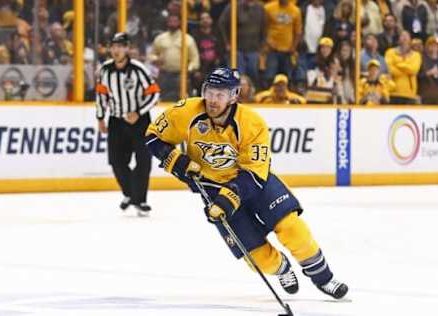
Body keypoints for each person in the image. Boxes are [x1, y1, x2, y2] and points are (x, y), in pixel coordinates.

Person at [145, 67, 348, 299]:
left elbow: (253, 172)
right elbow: (153, 137)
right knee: (256, 259)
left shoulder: (252, 123)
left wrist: (228, 197)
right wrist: (176, 162)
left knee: (293, 229)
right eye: (210, 92)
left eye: (220, 94)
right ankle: (281, 267)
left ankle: (324, 278)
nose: (213, 100)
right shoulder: (186, 111)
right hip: (211, 187)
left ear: (234, 96)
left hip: (255, 183)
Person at [96, 32, 160, 216]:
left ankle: (140, 200)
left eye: (120, 46)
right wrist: (100, 118)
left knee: (143, 161)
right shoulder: (105, 70)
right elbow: (101, 95)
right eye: (113, 46)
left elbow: (154, 93)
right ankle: (130, 194)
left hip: (140, 121)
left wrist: (138, 112)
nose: (116, 50)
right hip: (116, 121)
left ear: (127, 48)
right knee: (117, 161)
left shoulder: (139, 69)